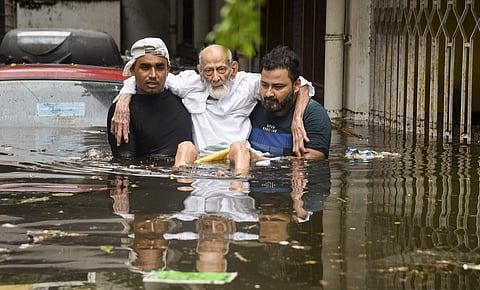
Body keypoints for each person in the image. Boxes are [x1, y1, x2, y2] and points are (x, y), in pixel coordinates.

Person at [110, 44, 314, 171]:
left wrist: (297, 120)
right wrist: (124, 97)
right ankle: (177, 186)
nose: (215, 78)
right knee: (185, 147)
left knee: (238, 148)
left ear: (233, 69)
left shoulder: (249, 84)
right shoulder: (188, 83)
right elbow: (148, 79)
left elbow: (303, 84)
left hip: (237, 159)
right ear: (200, 71)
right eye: (208, 71)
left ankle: (238, 187)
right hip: (200, 160)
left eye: (221, 70)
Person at [228, 46, 331, 173]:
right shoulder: (250, 104)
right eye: (264, 85)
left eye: (278, 87)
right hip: (251, 187)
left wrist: (263, 161)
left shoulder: (313, 115)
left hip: (289, 189)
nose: (268, 93)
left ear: (296, 85)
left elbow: (314, 161)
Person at [106, 37, 193, 165]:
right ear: (132, 70)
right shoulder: (122, 113)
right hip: (150, 182)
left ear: (168, 69)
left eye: (159, 67)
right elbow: (124, 167)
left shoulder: (185, 98)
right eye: (145, 67)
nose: (153, 74)